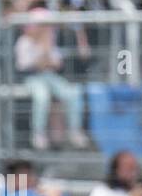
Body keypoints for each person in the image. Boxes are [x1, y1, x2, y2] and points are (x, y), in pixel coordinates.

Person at [15, 9, 88, 151]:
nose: (45, 29)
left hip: (50, 76)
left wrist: (46, 48)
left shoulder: (50, 41)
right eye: (42, 25)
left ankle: (74, 130)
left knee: (73, 93)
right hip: (31, 78)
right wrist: (44, 54)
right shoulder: (23, 41)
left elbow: (56, 64)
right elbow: (28, 66)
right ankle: (38, 133)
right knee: (42, 96)